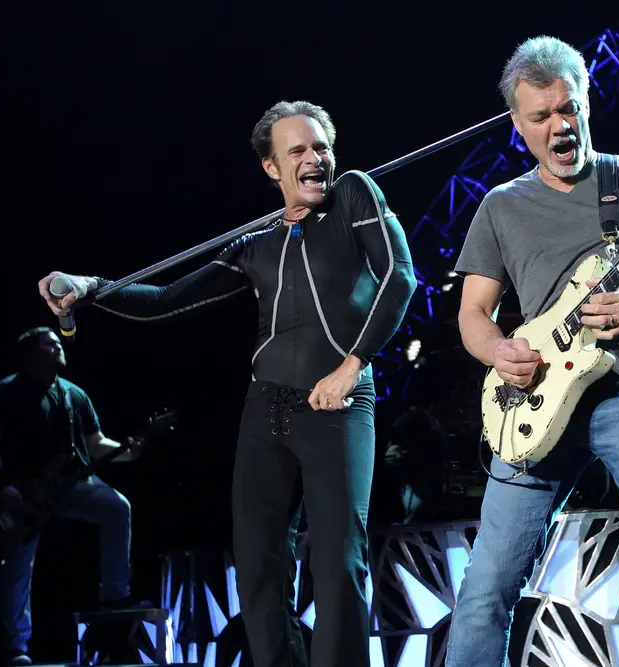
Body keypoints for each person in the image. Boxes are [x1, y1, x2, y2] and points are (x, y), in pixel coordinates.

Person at [37, 100, 417, 667]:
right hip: (266, 411)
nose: (315, 159)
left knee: (338, 562)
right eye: (297, 151)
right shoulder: (254, 244)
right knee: (258, 566)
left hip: (336, 402)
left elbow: (400, 276)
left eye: (321, 147)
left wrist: (351, 366)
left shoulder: (355, 196)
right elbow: (165, 301)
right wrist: (92, 287)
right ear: (271, 167)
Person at [445, 36, 619, 666]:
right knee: (485, 588)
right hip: (537, 401)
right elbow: (472, 315)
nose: (559, 126)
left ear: (587, 104)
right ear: (518, 126)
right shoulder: (500, 207)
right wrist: (499, 352)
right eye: (540, 116)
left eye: (568, 109)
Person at [0, 327, 146, 667]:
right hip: (27, 493)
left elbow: (95, 442)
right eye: (49, 343)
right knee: (18, 565)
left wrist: (128, 451)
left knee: (116, 507)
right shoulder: (9, 391)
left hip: (72, 486)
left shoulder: (74, 394)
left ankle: (114, 594)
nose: (58, 347)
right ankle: (14, 646)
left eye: (58, 343)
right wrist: (1, 484)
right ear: (30, 353)